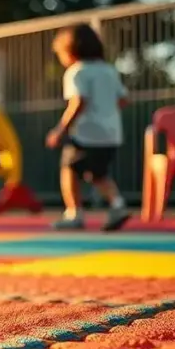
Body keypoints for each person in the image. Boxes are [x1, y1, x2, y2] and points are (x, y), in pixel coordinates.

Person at [45, 23, 131, 232]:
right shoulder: (109, 71)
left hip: (86, 134)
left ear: (70, 51)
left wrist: (60, 129)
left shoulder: (76, 72)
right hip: (110, 134)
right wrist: (105, 112)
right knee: (97, 173)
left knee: (69, 168)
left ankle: (74, 213)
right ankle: (118, 204)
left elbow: (78, 102)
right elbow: (123, 100)